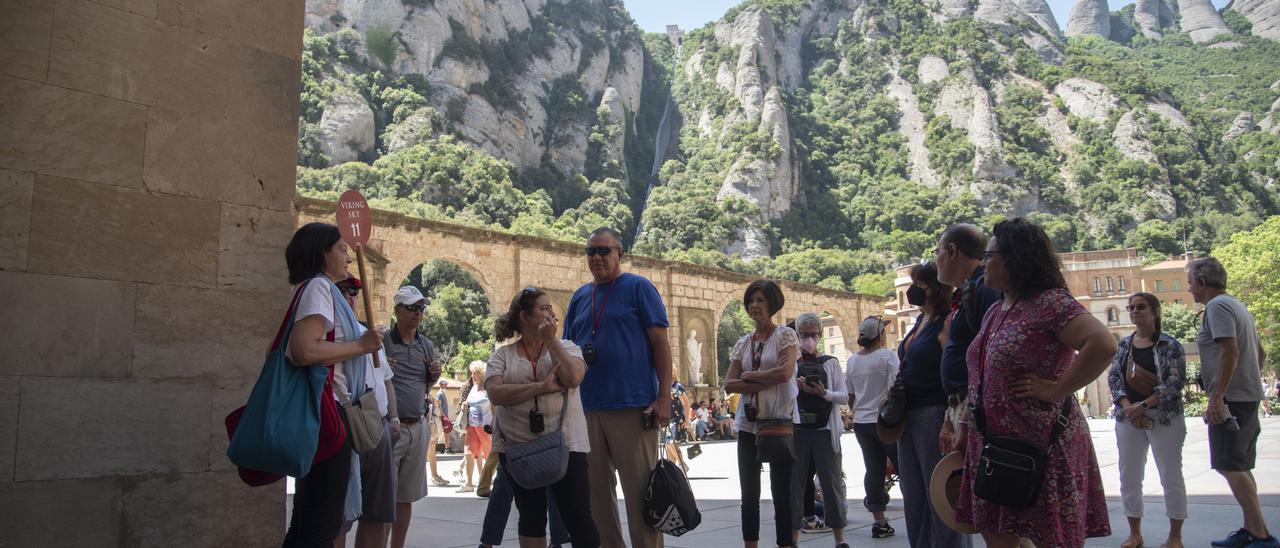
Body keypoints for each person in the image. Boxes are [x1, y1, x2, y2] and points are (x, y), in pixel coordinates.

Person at [956, 218, 1114, 547]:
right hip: (996, 448)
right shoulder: (996, 310)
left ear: (1015, 258)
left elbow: (1103, 343)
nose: (983, 262)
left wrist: (1058, 389)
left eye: (990, 254)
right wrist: (966, 426)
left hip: (1042, 449)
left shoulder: (1050, 304)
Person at [562, 227, 672, 548]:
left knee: (641, 497)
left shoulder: (639, 288)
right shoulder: (581, 297)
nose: (597, 257)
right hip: (587, 408)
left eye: (604, 251)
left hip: (633, 406)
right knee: (597, 500)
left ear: (620, 254)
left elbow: (660, 344)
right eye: (591, 252)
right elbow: (569, 350)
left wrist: (664, 397)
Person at [281, 223, 382, 547]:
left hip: (327, 410)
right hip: (329, 412)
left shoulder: (315, 288)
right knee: (320, 524)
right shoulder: (319, 288)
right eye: (340, 249)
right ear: (321, 255)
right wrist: (361, 346)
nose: (348, 255)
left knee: (309, 520)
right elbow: (304, 349)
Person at [486, 286, 600, 547]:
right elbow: (495, 393)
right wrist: (540, 388)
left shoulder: (568, 348)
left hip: (567, 444)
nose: (551, 313)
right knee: (531, 517)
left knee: (578, 517)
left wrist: (551, 341)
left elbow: (573, 377)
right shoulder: (502, 355)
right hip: (518, 447)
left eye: (551, 308)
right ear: (524, 317)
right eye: (544, 308)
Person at [1187, 256, 1276, 548]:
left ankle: (1261, 534)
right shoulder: (1237, 305)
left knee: (1230, 465)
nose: (1189, 290)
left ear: (1202, 282)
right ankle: (1252, 530)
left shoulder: (1217, 307)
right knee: (1238, 464)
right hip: (1244, 397)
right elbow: (1259, 354)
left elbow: (1229, 351)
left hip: (1232, 400)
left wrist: (1217, 396)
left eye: (1190, 283)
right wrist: (1248, 382)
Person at [893, 262, 969, 548]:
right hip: (908, 416)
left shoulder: (947, 321)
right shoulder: (918, 322)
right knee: (914, 497)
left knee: (941, 496)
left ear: (934, 289)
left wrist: (951, 421)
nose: (912, 290)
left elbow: (955, 373)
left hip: (933, 413)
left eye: (918, 285)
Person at [1106, 292, 1188, 548]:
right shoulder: (1123, 345)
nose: (1134, 312)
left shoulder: (1170, 345)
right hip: (1128, 418)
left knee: (1171, 475)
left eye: (1140, 307)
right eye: (1130, 308)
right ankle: (1135, 534)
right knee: (1129, 475)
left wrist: (1144, 405)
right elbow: (1115, 379)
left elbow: (1174, 383)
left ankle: (1175, 537)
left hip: (1164, 418)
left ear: (1155, 312)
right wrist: (1129, 406)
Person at [725, 279, 798, 548]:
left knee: (782, 493)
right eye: (751, 301)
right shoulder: (743, 343)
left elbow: (786, 372)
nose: (754, 305)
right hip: (748, 424)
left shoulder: (786, 337)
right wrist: (769, 378)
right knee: (749, 494)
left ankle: (785, 544)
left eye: (760, 300)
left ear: (772, 303)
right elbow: (729, 384)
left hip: (778, 420)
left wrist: (752, 375)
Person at [333, 275, 398, 548]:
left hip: (377, 424)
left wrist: (393, 418)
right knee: (336, 515)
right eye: (343, 291)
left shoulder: (370, 335)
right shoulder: (327, 336)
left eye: (354, 292)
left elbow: (386, 380)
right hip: (342, 423)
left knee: (377, 513)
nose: (350, 297)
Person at [934, 224, 1002, 455]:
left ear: (952, 250)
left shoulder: (983, 290)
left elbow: (988, 359)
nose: (936, 260)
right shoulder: (971, 291)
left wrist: (964, 419)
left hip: (972, 408)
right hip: (963, 405)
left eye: (938, 251)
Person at [384, 285, 443, 548]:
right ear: (397, 310)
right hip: (388, 427)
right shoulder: (384, 342)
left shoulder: (426, 345)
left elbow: (426, 383)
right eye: (412, 308)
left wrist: (435, 374)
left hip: (417, 425)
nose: (418, 313)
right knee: (383, 496)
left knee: (404, 497)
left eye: (421, 308)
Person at [789, 312, 850, 548]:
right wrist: (794, 388)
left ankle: (840, 539)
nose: (809, 339)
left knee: (831, 482)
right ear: (797, 335)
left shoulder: (830, 363)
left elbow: (843, 396)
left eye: (813, 334)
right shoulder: (791, 365)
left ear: (820, 335)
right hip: (798, 430)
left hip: (825, 430)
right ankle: (793, 539)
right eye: (804, 334)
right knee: (795, 485)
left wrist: (822, 393)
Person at [845, 315, 900, 539]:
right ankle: (918, 514)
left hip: (862, 422)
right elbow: (896, 389)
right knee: (903, 468)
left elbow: (850, 396)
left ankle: (879, 521)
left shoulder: (852, 361)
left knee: (874, 470)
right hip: (885, 422)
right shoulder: (888, 356)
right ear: (880, 335)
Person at [458, 361, 492, 492]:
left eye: (476, 373)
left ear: (482, 373)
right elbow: (470, 401)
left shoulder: (489, 387)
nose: (473, 376)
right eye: (472, 373)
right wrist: (465, 405)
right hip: (471, 426)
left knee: (489, 456)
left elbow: (494, 404)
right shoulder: (473, 387)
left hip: (485, 427)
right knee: (468, 453)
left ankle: (486, 482)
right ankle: (468, 483)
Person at [427, 379, 449, 486]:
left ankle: (434, 476)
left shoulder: (428, 391)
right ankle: (433, 476)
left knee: (431, 448)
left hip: (429, 423)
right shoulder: (436, 393)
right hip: (425, 423)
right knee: (430, 448)